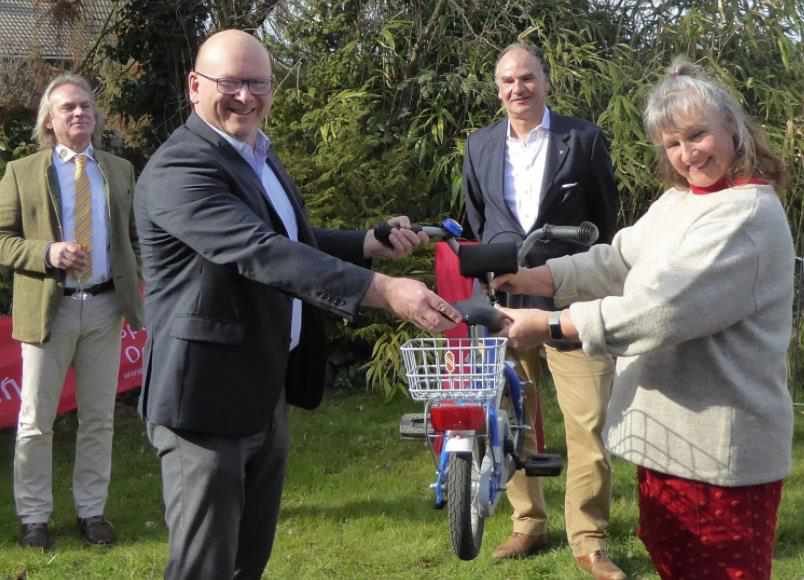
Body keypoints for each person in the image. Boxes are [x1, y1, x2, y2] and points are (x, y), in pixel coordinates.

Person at [134, 29, 460, 579]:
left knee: (246, 562)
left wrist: (364, 242)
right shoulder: (179, 169)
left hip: (262, 391)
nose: (245, 96)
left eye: (258, 83)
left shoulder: (256, 152)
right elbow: (260, 252)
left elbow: (289, 235)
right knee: (203, 569)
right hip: (204, 404)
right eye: (229, 83)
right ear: (194, 87)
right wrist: (383, 291)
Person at [492, 56, 793, 580]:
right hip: (672, 447)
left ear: (732, 126)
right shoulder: (683, 201)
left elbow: (661, 311)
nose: (686, 155)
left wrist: (552, 325)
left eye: (697, 135)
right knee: (674, 563)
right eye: (672, 144)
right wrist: (535, 277)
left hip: (720, 457)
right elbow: (618, 259)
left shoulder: (745, 215)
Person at [462, 43, 624, 579]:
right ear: (497, 88)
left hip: (574, 299)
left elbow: (605, 220)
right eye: (507, 81)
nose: (517, 89)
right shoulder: (479, 146)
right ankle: (527, 522)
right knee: (509, 414)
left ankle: (589, 539)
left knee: (589, 422)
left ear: (547, 81)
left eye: (527, 77)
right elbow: (476, 221)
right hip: (506, 302)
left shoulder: (584, 139)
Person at [0, 74, 143, 549]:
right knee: (36, 420)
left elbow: (133, 239)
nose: (79, 113)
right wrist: (47, 254)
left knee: (99, 418)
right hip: (49, 311)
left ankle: (91, 512)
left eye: (86, 106)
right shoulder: (22, 171)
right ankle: (35, 519)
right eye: (68, 108)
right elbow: (2, 240)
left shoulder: (119, 170)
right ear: (48, 119)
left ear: (96, 116)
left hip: (105, 309)